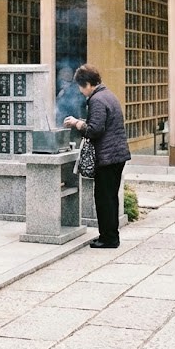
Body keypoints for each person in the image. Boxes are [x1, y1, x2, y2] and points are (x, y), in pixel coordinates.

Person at [63, 64, 131, 248]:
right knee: (110, 198)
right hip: (117, 155)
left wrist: (77, 124)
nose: (80, 90)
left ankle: (108, 239)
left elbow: (95, 130)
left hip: (108, 157)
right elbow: (100, 124)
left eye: (80, 86)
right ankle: (110, 236)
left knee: (103, 199)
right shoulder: (108, 94)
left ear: (87, 84)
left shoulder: (97, 100)